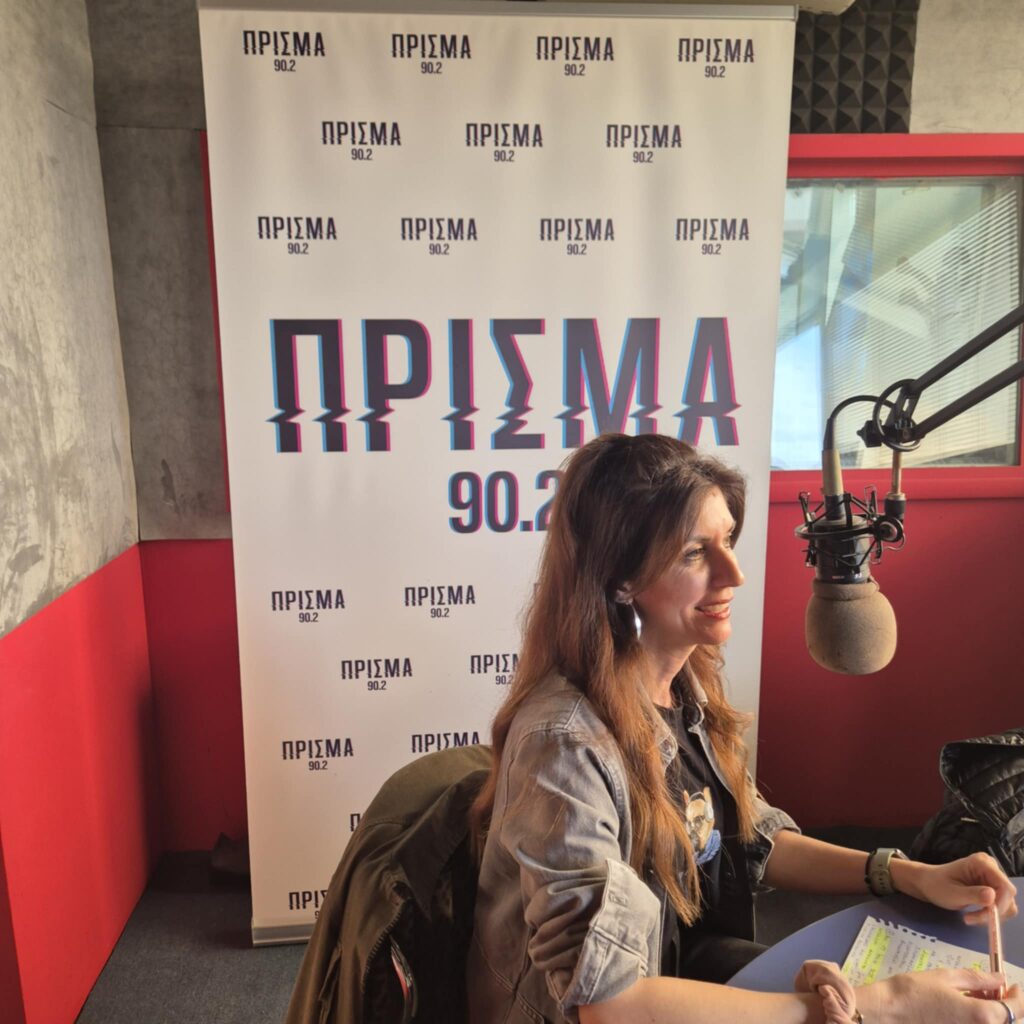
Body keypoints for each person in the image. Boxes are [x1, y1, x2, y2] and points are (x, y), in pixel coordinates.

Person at [466, 432, 1020, 1024]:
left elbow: (748, 836)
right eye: (693, 553)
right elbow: (608, 1003)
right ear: (621, 578)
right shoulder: (563, 745)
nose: (734, 574)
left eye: (727, 540)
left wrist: (909, 875)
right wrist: (876, 1006)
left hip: (682, 971)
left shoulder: (683, 684)